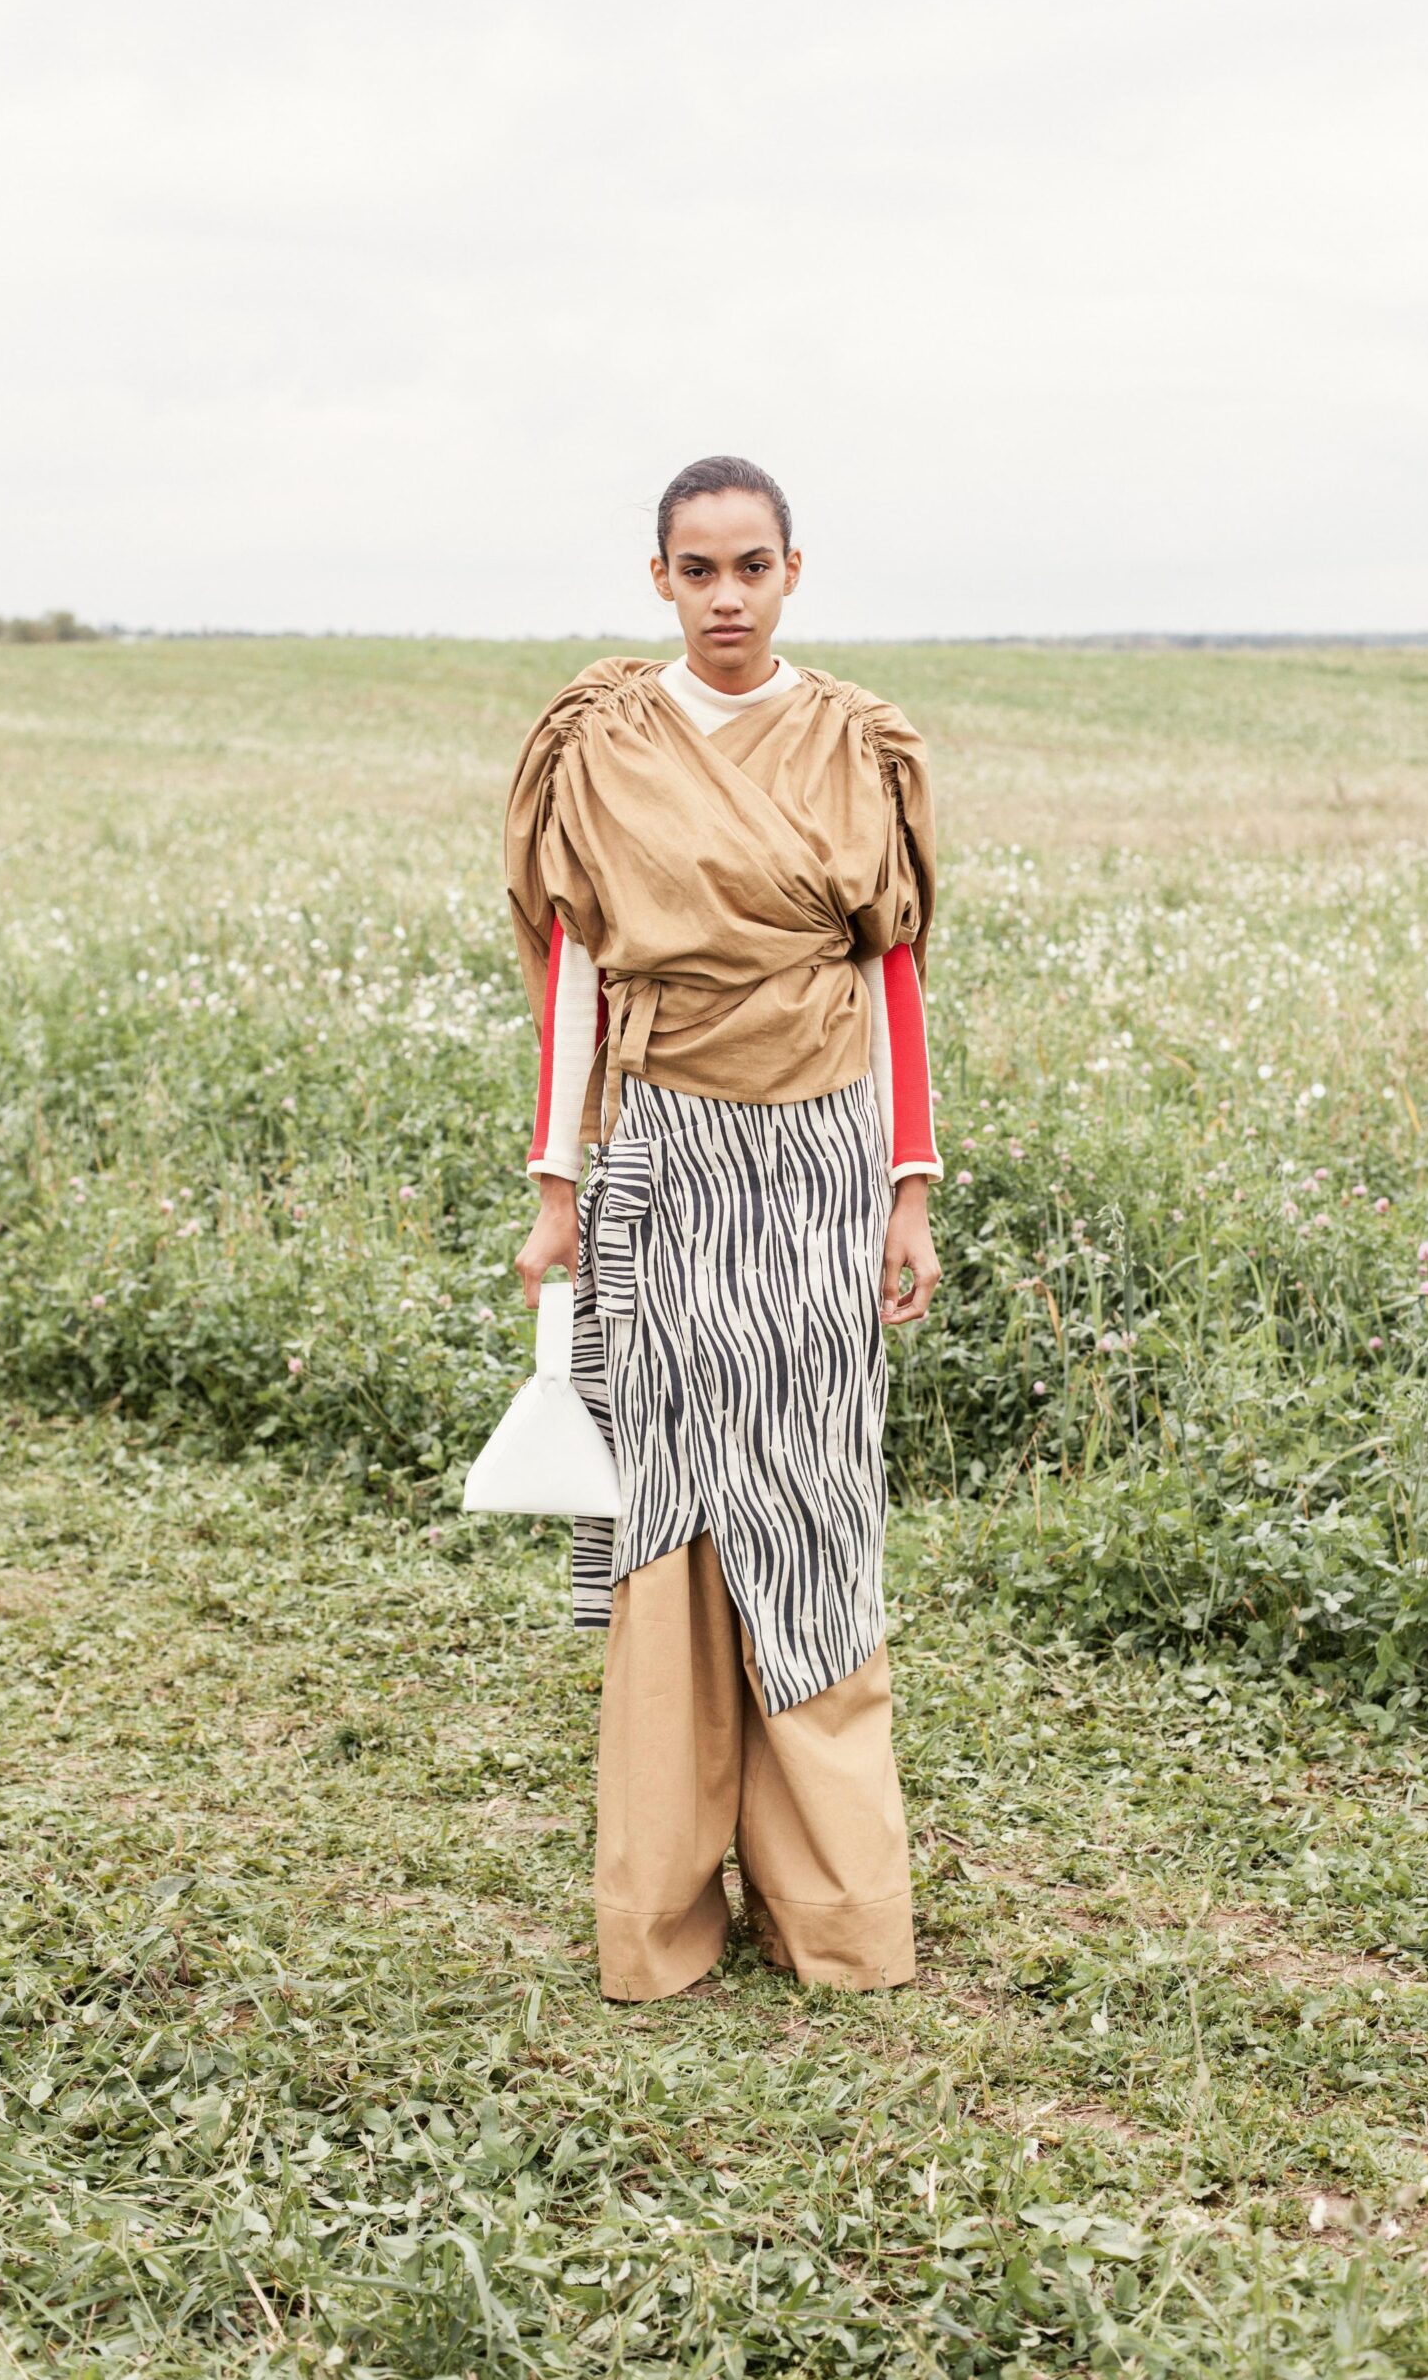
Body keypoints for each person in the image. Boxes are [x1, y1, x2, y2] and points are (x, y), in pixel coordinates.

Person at [501, 454, 944, 2001]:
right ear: (662, 584)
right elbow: (575, 978)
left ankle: (839, 1921)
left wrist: (910, 1187)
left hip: (826, 1155)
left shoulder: (856, 743)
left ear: (794, 573)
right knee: (673, 1507)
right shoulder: (605, 747)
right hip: (666, 1153)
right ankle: (664, 1921)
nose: (728, 598)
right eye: (699, 571)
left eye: (753, 567)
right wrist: (559, 1190)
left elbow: (894, 981)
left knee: (817, 1501)